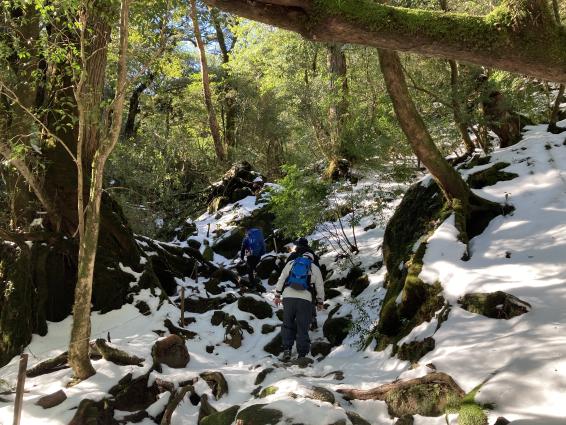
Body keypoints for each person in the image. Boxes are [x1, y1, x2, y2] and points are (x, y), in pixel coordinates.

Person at [274, 251, 324, 361]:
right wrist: (320, 302)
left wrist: (277, 294)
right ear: (312, 259)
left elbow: (281, 278)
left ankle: (287, 349)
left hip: (288, 296)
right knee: (302, 326)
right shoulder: (314, 267)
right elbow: (319, 286)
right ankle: (302, 355)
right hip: (305, 299)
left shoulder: (292, 263)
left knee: (287, 324)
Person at [285, 238, 320, 330]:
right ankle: (313, 321)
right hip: (310, 285)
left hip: (295, 284)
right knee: (311, 302)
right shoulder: (312, 255)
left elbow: (286, 269)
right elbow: (318, 270)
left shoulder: (294, 255)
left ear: (298, 245)